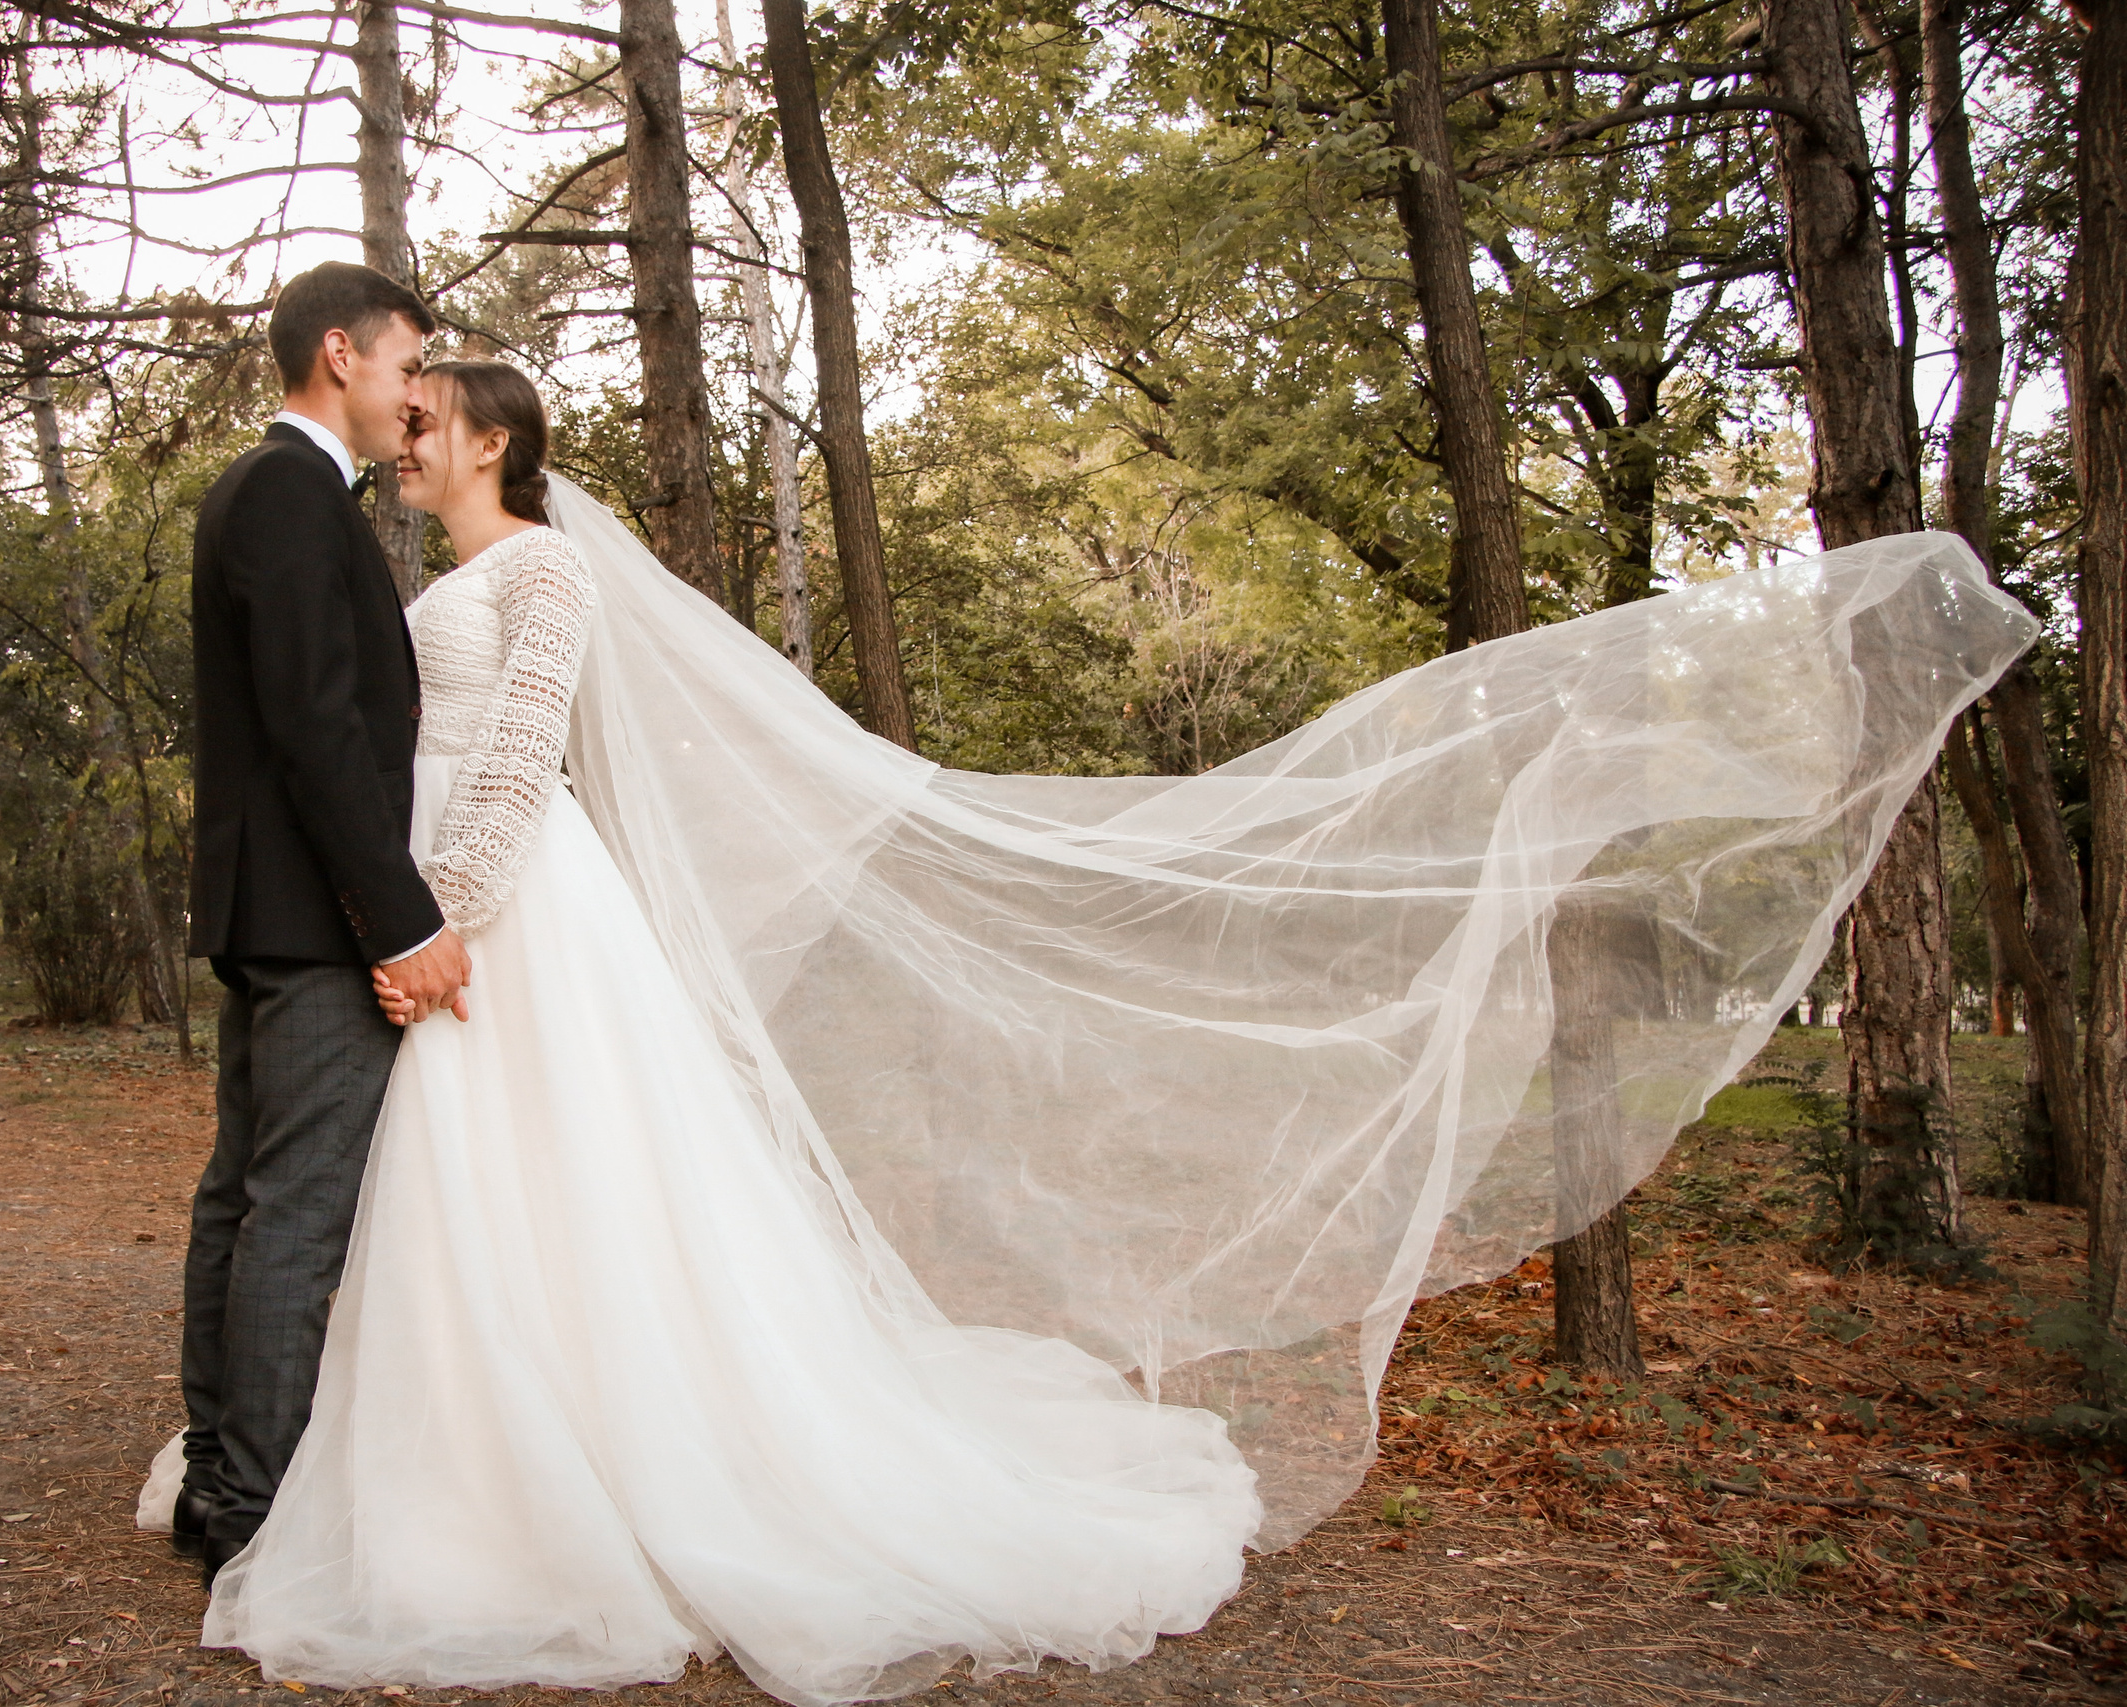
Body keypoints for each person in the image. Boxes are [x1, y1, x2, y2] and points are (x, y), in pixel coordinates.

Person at [153, 356, 2036, 1706]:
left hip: (506, 918)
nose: (402, 436)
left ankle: (588, 1466)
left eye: (423, 415)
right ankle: (442, 1446)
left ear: (482, 432)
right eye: (393, 409)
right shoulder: (425, 571)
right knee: (472, 1209)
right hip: (437, 920)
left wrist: (446, 923)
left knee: (567, 1200)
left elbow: (521, 757)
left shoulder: (542, 569)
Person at [178, 261, 473, 1587]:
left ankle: (215, 1487)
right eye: (408, 365)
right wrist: (399, 921)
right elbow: (316, 729)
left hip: (268, 907)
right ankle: (254, 1514)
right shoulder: (293, 495)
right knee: (292, 1215)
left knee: (241, 1201)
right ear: (341, 353)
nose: (414, 394)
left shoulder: (274, 492)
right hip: (313, 917)